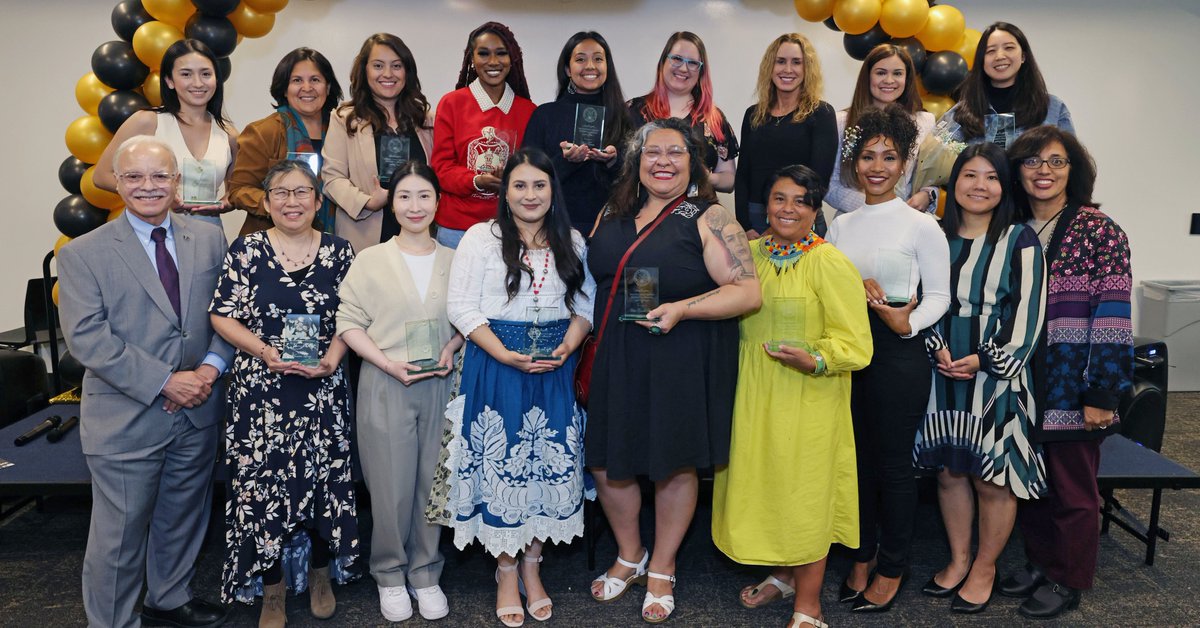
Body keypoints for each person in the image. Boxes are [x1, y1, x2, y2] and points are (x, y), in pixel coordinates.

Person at [587, 117, 761, 623]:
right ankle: (630, 553)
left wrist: (683, 308)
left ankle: (663, 566)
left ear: (695, 162)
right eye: (652, 152)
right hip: (616, 350)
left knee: (674, 460)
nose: (662, 161)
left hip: (679, 354)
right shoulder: (612, 211)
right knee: (605, 459)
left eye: (675, 152)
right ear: (636, 162)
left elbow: (747, 293)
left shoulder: (709, 216)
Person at [58, 135, 234, 628]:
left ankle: (169, 597)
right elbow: (88, 339)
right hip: (125, 416)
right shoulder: (83, 253)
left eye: (160, 175)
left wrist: (208, 370)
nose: (148, 186)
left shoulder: (209, 239)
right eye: (134, 176)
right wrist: (165, 381)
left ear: (177, 181)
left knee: (183, 515)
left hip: (199, 406)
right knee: (119, 535)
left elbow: (229, 314)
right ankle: (112, 621)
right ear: (116, 183)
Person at [712, 165, 872, 628]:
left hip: (808, 398)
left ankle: (809, 605)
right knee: (767, 487)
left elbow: (857, 345)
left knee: (805, 497)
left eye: (801, 201)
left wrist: (816, 359)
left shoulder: (829, 263)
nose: (788, 209)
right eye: (780, 198)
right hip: (752, 396)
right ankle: (782, 576)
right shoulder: (747, 257)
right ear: (766, 204)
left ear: (816, 209)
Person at [442, 147, 594, 627]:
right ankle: (505, 571)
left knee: (543, 468)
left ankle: (533, 565)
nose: (530, 195)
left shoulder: (572, 240)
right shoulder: (480, 239)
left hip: (554, 369)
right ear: (505, 193)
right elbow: (461, 306)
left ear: (553, 191)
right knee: (501, 467)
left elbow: (585, 306)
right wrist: (503, 354)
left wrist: (567, 348)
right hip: (496, 366)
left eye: (539, 185)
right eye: (520, 185)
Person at [209, 160, 358, 627]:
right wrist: (264, 352)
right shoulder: (246, 250)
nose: (292, 202)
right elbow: (222, 314)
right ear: (266, 201)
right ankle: (271, 587)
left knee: (323, 483)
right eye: (281, 193)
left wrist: (332, 358)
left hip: (322, 388)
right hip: (261, 391)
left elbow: (354, 317)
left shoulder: (340, 251)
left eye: (301, 192)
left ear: (318, 201)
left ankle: (320, 574)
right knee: (263, 487)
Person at [999, 126, 1132, 619]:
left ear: (1073, 171)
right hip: (1022, 382)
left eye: (1057, 161)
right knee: (1033, 482)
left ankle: (1069, 578)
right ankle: (1041, 563)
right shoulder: (1012, 228)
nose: (1044, 171)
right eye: (1032, 161)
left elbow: (1113, 314)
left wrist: (1102, 392)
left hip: (1071, 384)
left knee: (1074, 489)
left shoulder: (1099, 230)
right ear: (1017, 171)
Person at [825, 106, 950, 613]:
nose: (877, 167)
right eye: (868, 156)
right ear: (854, 163)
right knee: (854, 463)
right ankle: (862, 555)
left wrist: (908, 324)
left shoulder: (922, 225)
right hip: (848, 351)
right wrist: (851, 286)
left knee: (894, 465)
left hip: (898, 352)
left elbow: (939, 296)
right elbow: (827, 288)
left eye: (889, 157)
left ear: (904, 165)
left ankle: (893, 566)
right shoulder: (840, 225)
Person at [912, 143, 1046, 615]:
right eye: (970, 175)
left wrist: (983, 360)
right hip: (940, 368)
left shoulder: (1020, 240)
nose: (980, 186)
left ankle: (985, 567)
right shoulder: (932, 234)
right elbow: (918, 297)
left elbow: (1029, 316)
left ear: (1004, 187)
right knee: (950, 471)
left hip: (995, 377)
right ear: (955, 182)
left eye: (992, 177)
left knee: (992, 478)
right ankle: (959, 559)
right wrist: (937, 346)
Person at [336, 161, 461, 623]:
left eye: (424, 196)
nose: (414, 206)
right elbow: (348, 321)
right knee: (389, 487)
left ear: (438, 202)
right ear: (393, 204)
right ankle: (389, 573)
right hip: (386, 382)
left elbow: (471, 317)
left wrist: (452, 346)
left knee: (433, 482)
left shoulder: (455, 260)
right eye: (404, 196)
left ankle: (425, 571)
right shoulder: (370, 259)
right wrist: (386, 362)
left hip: (441, 384)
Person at [94, 39, 238, 229]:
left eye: (206, 74)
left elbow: (236, 191)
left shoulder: (228, 134)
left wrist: (228, 202)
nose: (198, 83)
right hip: (152, 228)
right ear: (169, 81)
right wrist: (156, 195)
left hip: (208, 233)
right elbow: (101, 176)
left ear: (216, 80)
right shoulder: (147, 121)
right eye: (186, 74)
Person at [322, 33, 434, 253]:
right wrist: (368, 202)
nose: (388, 74)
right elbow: (332, 177)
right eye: (378, 66)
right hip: (364, 233)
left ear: (407, 71)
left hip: (418, 231)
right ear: (365, 70)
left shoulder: (426, 120)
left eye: (396, 66)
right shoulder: (345, 118)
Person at [432, 22, 537, 249]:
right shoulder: (451, 103)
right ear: (471, 58)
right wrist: (476, 181)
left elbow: (533, 171)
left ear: (513, 59)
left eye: (501, 53)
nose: (493, 61)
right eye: (483, 53)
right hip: (456, 228)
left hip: (511, 226)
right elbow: (441, 168)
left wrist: (512, 177)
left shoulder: (529, 111)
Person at [523, 31, 633, 233]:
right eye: (580, 59)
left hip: (609, 230)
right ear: (567, 69)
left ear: (607, 66)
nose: (590, 66)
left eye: (598, 59)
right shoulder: (545, 115)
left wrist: (613, 161)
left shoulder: (625, 116)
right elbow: (526, 176)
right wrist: (565, 161)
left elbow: (636, 179)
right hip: (554, 229)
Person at [229, 47, 343, 236]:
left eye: (315, 80)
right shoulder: (263, 132)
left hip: (332, 239)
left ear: (328, 87)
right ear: (284, 88)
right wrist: (281, 203)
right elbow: (238, 191)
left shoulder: (342, 131)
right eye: (297, 80)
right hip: (271, 241)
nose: (307, 87)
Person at [734, 33, 837, 236]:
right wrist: (744, 225)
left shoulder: (821, 114)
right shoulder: (753, 114)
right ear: (769, 66)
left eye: (796, 62)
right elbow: (743, 174)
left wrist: (777, 227)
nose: (788, 69)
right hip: (755, 221)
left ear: (807, 68)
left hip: (800, 216)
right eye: (780, 61)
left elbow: (819, 180)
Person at [826, 44, 936, 218]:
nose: (889, 80)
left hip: (906, 220)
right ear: (867, 76)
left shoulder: (925, 121)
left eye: (897, 73)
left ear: (907, 79)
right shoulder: (841, 122)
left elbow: (931, 175)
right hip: (854, 219)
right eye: (881, 73)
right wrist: (877, 208)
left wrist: (927, 194)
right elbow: (829, 184)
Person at [629, 31, 738, 194]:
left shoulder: (714, 118)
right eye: (677, 59)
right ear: (663, 62)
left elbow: (729, 180)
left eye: (693, 63)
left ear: (701, 71)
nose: (684, 68)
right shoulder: (633, 111)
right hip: (643, 209)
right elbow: (617, 168)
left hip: (699, 208)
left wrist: (704, 177)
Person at [937, 22, 1074, 148]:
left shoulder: (1053, 108)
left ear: (1023, 56)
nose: (1000, 56)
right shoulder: (960, 113)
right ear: (982, 61)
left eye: (1009, 48)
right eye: (991, 51)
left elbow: (1072, 160)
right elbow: (934, 159)